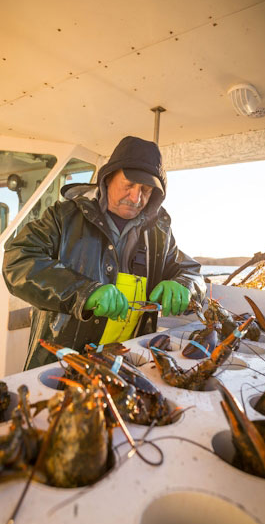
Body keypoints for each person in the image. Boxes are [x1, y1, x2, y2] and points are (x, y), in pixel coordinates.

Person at [3, 136, 206, 369]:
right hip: (61, 364)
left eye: (146, 190)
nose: (136, 198)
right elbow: (17, 260)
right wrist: (83, 292)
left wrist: (185, 285)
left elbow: (192, 272)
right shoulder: (63, 217)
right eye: (129, 185)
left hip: (127, 364)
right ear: (107, 179)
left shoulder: (160, 234)